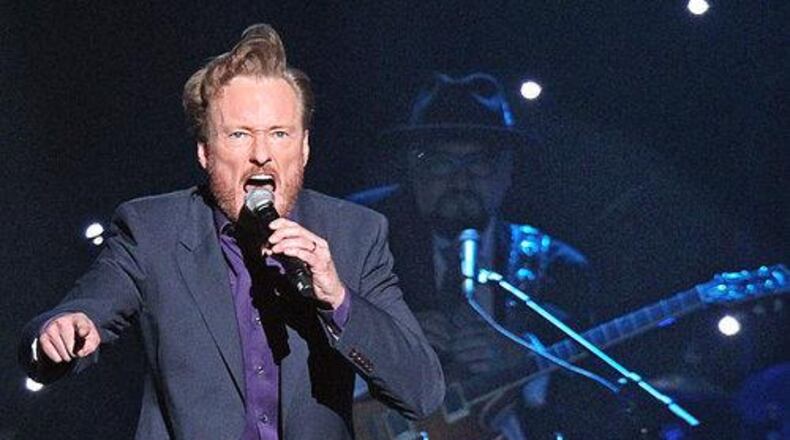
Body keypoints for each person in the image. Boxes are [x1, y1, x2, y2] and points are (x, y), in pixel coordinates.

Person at [17, 24, 444, 440]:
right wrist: (60, 333)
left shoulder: (355, 234)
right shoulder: (153, 230)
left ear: (304, 147)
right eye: (240, 134)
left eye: (279, 134)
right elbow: (80, 312)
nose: (261, 154)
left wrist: (338, 299)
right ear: (205, 151)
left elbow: (422, 393)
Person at [355, 73, 597, 439]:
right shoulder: (356, 243)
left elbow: (589, 397)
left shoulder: (558, 269)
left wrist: (528, 364)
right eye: (441, 162)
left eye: (479, 162)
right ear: (413, 168)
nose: (460, 182)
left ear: (507, 172)